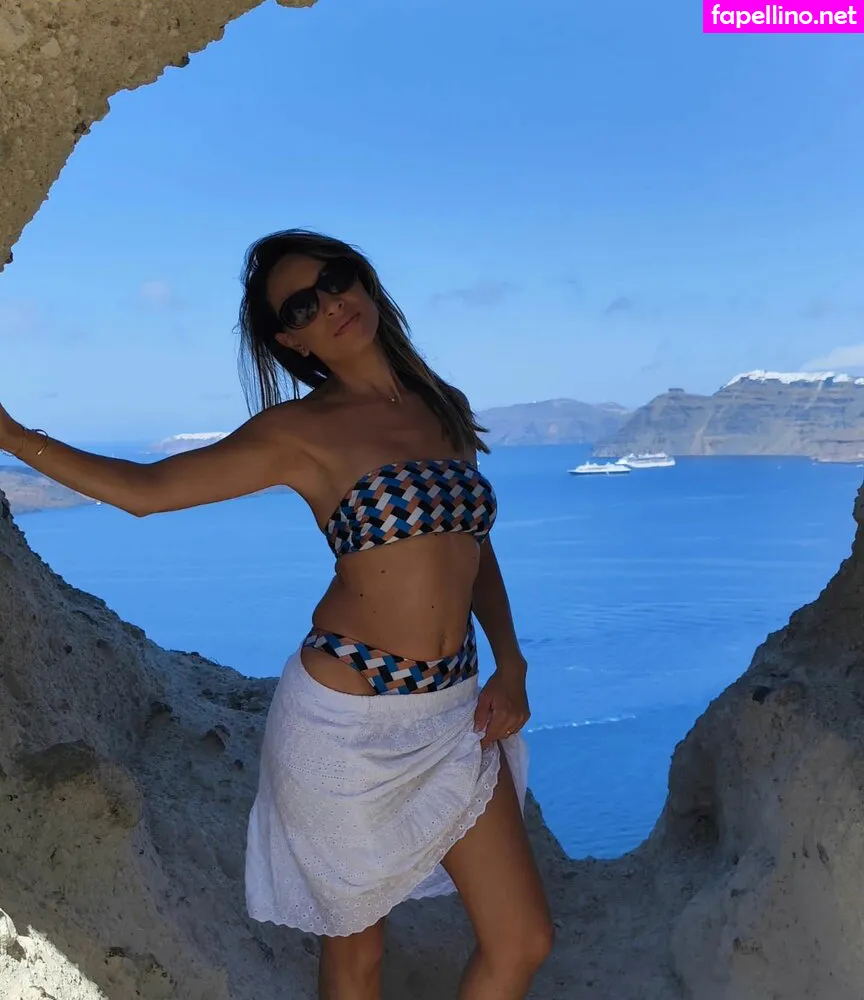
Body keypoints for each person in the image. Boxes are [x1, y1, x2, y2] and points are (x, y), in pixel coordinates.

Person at [0, 229, 554, 1000]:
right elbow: (144, 492)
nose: (330, 303)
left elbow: (471, 548)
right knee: (357, 957)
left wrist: (512, 661)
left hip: (452, 713)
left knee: (523, 940)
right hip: (346, 726)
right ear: (290, 341)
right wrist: (10, 434)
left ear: (363, 280)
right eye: (301, 305)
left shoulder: (440, 406)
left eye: (336, 278)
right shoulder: (300, 433)